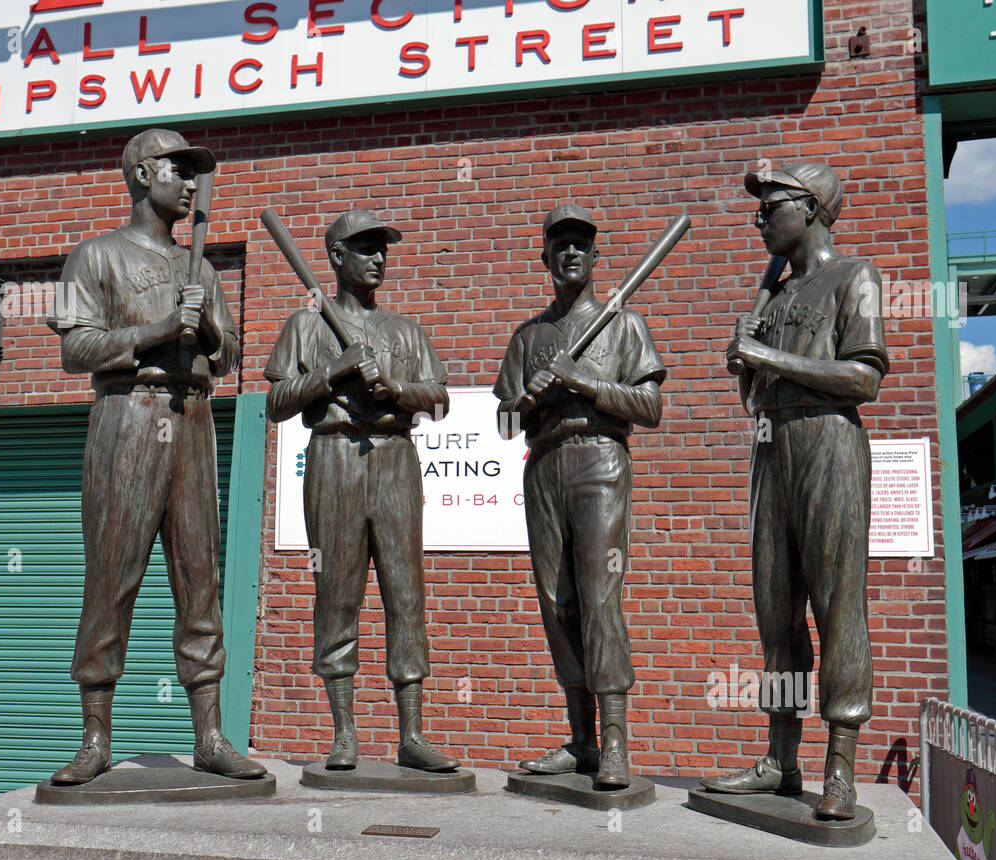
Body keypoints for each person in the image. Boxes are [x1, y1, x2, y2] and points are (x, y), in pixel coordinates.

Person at [46, 128, 265, 784]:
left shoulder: (199, 268)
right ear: (143, 175)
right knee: (111, 580)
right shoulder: (95, 256)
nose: (191, 183)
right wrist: (158, 331)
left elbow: (228, 359)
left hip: (192, 419)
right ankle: (94, 737)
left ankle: (209, 735)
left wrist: (212, 331)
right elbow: (73, 349)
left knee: (201, 581)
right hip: (127, 417)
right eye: (179, 170)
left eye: (196, 174)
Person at [707, 161, 888, 820]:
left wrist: (767, 358)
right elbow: (756, 395)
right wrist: (744, 364)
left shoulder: (855, 276)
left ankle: (839, 765)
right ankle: (781, 758)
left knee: (838, 604)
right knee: (776, 611)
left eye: (771, 205)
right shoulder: (777, 295)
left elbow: (864, 378)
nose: (759, 217)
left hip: (830, 445)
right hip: (772, 446)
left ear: (810, 208)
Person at [263, 210, 459, 773]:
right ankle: (344, 732)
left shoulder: (405, 330)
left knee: (405, 593)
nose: (377, 259)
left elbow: (439, 400)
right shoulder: (307, 325)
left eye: (382, 250)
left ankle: (412, 734)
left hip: (395, 457)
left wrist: (398, 388)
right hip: (334, 459)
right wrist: (334, 373)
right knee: (337, 594)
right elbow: (276, 405)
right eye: (365, 249)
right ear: (335, 257)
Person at [493, 203, 666, 789]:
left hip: (599, 460)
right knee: (556, 599)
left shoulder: (624, 325)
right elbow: (505, 419)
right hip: (543, 465)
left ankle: (615, 740)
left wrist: (580, 379)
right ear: (545, 257)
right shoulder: (528, 335)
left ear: (596, 257)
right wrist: (526, 400)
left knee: (598, 596)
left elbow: (650, 408)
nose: (570, 252)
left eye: (581, 244)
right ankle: (582, 740)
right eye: (559, 244)